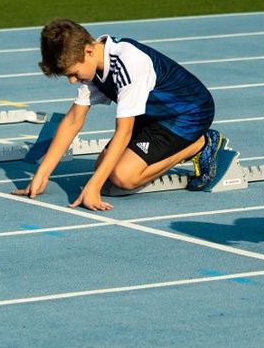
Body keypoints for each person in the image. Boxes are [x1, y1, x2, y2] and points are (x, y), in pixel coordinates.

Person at [14, 18, 225, 211]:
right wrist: (42, 175)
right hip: (152, 115)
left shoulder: (127, 63)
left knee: (123, 177)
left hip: (187, 114)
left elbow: (123, 132)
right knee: (102, 169)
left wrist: (93, 187)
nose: (72, 80)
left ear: (88, 51)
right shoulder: (92, 63)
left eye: (73, 73)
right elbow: (73, 120)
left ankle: (200, 143)